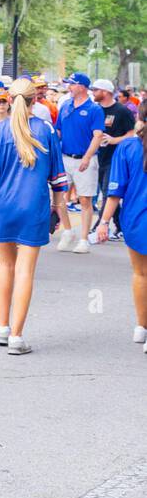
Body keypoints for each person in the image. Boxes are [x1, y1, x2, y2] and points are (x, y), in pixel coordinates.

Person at [0, 79, 68, 355]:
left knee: (5, 266)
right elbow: (59, 179)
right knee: (25, 271)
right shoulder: (46, 130)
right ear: (34, 100)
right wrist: (57, 210)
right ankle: (17, 335)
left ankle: (2, 327)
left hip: (3, 206)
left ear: (11, 99)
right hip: (34, 206)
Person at [98, 123, 147, 353]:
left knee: (140, 273)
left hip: (135, 220)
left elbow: (115, 192)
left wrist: (104, 222)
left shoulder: (127, 147)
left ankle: (141, 326)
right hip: (136, 219)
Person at [54, 72, 104, 254]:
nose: (69, 87)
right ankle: (67, 231)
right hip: (64, 158)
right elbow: (58, 131)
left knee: (84, 199)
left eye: (72, 84)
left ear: (82, 86)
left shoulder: (94, 109)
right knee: (59, 195)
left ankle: (83, 238)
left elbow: (97, 136)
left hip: (85, 159)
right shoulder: (65, 105)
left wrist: (87, 157)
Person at [91, 78, 134, 240]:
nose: (93, 93)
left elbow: (131, 134)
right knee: (106, 192)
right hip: (97, 157)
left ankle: (99, 226)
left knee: (109, 191)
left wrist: (113, 140)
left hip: (115, 159)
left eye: (96, 90)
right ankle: (121, 226)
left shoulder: (122, 111)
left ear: (106, 92)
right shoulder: (95, 110)